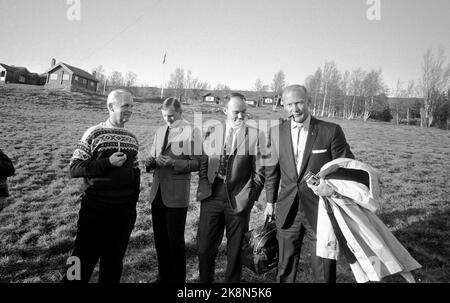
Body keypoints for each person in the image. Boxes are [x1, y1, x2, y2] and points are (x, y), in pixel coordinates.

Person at [263, 85, 354, 283]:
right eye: (289, 104)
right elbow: (272, 171)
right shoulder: (276, 132)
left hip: (321, 208)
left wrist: (332, 189)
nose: (294, 109)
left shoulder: (330, 131)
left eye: (299, 102)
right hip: (288, 208)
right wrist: (270, 202)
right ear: (283, 105)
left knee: (323, 266)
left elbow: (347, 167)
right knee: (284, 265)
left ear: (308, 101)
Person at [66, 89, 140, 283]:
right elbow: (74, 168)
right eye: (126, 106)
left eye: (132, 106)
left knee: (114, 261)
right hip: (96, 209)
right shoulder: (94, 133)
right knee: (81, 257)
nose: (130, 110)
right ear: (110, 106)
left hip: (124, 212)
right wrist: (107, 163)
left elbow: (136, 172)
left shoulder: (132, 138)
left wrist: (132, 204)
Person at [196, 92, 265, 283]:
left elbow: (260, 173)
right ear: (225, 110)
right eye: (236, 112)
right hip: (212, 195)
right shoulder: (211, 132)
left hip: (239, 200)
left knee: (235, 252)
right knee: (204, 249)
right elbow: (203, 161)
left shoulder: (255, 135)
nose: (241, 117)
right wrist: (204, 182)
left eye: (244, 112)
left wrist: (250, 199)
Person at [145, 97, 200, 284]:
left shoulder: (192, 131)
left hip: (176, 196)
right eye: (164, 116)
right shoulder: (160, 131)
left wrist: (174, 163)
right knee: (160, 240)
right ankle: (163, 277)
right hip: (157, 193)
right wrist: (151, 161)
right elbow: (152, 156)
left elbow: (198, 163)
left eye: (171, 116)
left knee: (175, 242)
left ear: (180, 112)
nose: (167, 119)